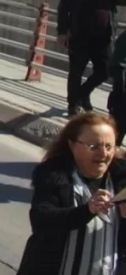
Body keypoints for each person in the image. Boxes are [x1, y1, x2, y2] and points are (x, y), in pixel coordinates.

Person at [16, 112, 126, 275]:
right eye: (93, 146)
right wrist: (87, 210)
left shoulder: (120, 180)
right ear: (72, 145)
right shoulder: (54, 176)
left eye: (109, 146)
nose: (103, 154)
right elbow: (41, 221)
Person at [57, 0, 126, 116]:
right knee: (75, 72)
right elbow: (63, 7)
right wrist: (62, 31)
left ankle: (82, 93)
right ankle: (73, 105)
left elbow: (123, 0)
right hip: (79, 36)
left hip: (103, 38)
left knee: (105, 70)